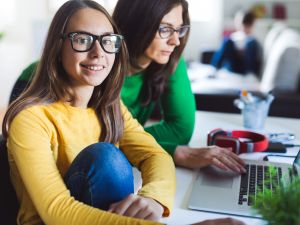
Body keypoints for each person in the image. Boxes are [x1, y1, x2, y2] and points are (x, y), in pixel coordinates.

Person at [11, 0, 245, 174]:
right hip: (40, 96)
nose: (175, 41)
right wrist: (170, 151)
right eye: (164, 29)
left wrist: (142, 147)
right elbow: (90, 147)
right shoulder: (96, 69)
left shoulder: (167, 56)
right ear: (137, 25)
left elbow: (180, 129)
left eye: (179, 30)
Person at [2, 1, 176, 224]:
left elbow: (156, 155)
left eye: (107, 41)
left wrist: (154, 199)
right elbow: (57, 210)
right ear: (58, 47)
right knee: (106, 159)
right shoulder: (30, 118)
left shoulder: (109, 107)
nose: (98, 52)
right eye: (83, 40)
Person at [211, 10, 262, 77]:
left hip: (246, 69)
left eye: (248, 26)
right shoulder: (232, 39)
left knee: (250, 43)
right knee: (227, 41)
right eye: (244, 25)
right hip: (232, 68)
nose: (245, 29)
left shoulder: (253, 41)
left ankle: (249, 75)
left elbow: (256, 60)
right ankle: (214, 69)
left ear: (251, 25)